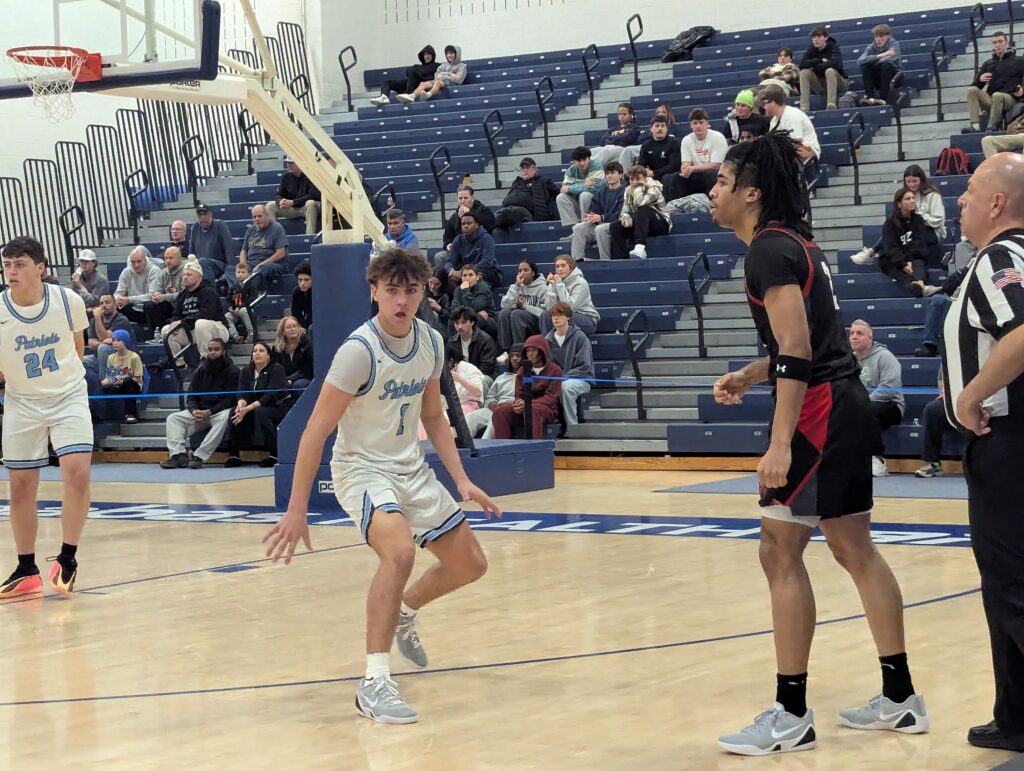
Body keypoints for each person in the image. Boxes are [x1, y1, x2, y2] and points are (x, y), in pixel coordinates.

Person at [708, 134, 927, 755]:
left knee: (779, 550)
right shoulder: (794, 243)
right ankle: (900, 696)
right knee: (856, 550)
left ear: (752, 194)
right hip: (843, 405)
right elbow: (801, 340)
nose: (713, 191)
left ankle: (791, 712)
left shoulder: (768, 252)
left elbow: (800, 352)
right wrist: (750, 374)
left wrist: (780, 442)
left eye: (722, 182)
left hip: (819, 415)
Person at [262, 248, 500, 725]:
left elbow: (433, 415)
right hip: (362, 470)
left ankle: (406, 611)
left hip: (411, 469)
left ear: (422, 294)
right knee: (399, 553)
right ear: (373, 291)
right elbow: (314, 432)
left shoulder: (430, 342)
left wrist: (460, 479)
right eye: (391, 290)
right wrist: (296, 507)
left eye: (410, 290)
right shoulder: (358, 351)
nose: (401, 300)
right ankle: (373, 682)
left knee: (471, 564)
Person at [941, 152, 1024, 752]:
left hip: (1009, 445)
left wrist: (971, 394)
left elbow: (1020, 332)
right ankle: (1016, 715)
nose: (960, 200)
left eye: (970, 190)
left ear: (998, 203)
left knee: (1012, 583)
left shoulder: (1000, 256)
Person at [0, 236, 92, 599]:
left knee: (77, 471)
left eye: (19, 264)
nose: (11, 272)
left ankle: (67, 558)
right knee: (20, 486)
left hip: (67, 394)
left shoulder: (68, 301)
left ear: (40, 268)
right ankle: (26, 568)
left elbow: (78, 348)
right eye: (7, 265)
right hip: (22, 401)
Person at [161, 338, 240, 470]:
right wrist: (194, 410)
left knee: (227, 415)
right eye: (210, 350)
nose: (213, 353)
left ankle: (199, 456)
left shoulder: (233, 371)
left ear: (224, 351)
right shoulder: (200, 370)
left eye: (216, 349)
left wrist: (210, 411)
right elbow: (191, 396)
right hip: (199, 413)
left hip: (218, 412)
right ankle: (178, 455)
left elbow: (231, 399)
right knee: (173, 418)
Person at [852, 165, 947, 265]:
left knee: (898, 235)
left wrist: (919, 217)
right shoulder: (905, 195)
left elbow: (937, 220)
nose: (911, 184)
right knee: (892, 228)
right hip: (910, 228)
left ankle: (872, 251)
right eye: (908, 181)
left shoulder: (933, 195)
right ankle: (872, 252)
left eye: (915, 181)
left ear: (921, 179)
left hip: (931, 232)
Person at [849, 319, 905, 477]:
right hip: (862, 406)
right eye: (852, 333)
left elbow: (889, 389)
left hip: (891, 406)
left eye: (859, 333)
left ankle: (877, 459)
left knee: (867, 411)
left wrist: (861, 403)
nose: (854, 336)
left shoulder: (885, 357)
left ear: (870, 338)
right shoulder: (849, 361)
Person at [225, 341, 288, 468]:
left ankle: (274, 453)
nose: (257, 353)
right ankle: (234, 454)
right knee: (234, 412)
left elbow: (271, 396)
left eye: (261, 351)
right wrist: (241, 405)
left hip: (275, 406)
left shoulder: (276, 369)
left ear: (268, 355)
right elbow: (242, 392)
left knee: (261, 412)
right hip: (252, 407)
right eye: (255, 351)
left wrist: (248, 408)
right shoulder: (246, 371)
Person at [489, 334, 562, 439]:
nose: (530, 354)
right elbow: (518, 393)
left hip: (546, 409)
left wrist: (527, 404)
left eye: (534, 351)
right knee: (500, 412)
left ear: (542, 352)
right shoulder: (522, 370)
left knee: (532, 410)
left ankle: (534, 449)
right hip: (524, 406)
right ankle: (504, 448)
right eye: (528, 351)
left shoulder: (555, 370)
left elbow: (550, 398)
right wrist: (518, 403)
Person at [159, 258, 230, 366]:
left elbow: (206, 314)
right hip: (193, 331)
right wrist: (174, 323)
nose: (185, 277)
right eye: (184, 275)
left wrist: (182, 323)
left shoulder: (208, 291)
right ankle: (179, 363)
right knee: (166, 330)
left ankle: (206, 360)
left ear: (199, 277)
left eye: (189, 275)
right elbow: (176, 314)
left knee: (201, 323)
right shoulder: (182, 295)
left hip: (217, 329)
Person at [877, 187, 941, 298]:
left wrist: (910, 260)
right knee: (895, 269)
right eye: (907, 199)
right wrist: (903, 264)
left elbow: (919, 242)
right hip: (893, 260)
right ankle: (922, 287)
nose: (912, 201)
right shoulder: (890, 223)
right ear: (899, 204)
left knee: (919, 261)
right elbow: (890, 247)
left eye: (913, 198)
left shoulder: (918, 220)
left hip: (911, 256)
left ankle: (918, 284)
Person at [545, 302, 594, 429]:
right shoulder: (547, 339)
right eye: (553, 315)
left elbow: (584, 366)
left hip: (581, 379)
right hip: (557, 380)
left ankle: (573, 427)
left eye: (559, 315)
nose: (555, 318)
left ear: (568, 317)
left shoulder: (580, 337)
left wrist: (563, 377)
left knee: (565, 387)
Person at [964, 31, 1024, 132]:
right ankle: (975, 127)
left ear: (1007, 43)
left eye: (1000, 41)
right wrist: (980, 80)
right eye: (995, 42)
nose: (997, 45)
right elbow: (975, 86)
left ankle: (991, 127)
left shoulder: (1019, 61)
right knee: (972, 90)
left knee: (997, 95)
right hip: (991, 99)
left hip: (1011, 98)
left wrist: (1022, 89)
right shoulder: (988, 64)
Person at [610, 165, 673, 260]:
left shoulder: (653, 187)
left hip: (660, 223)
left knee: (643, 210)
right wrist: (626, 218)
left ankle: (640, 246)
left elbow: (641, 203)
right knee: (615, 227)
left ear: (645, 178)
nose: (635, 182)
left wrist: (638, 189)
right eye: (632, 179)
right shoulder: (627, 190)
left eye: (638, 179)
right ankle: (621, 260)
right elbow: (625, 209)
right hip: (642, 224)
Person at [666, 108, 729, 200]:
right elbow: (686, 163)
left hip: (715, 174)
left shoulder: (718, 137)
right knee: (675, 178)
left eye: (701, 122)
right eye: (695, 123)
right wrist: (685, 169)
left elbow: (716, 165)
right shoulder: (686, 140)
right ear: (691, 125)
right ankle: (676, 207)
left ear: (707, 123)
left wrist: (693, 168)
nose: (698, 126)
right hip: (695, 174)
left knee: (710, 174)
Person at [571, 161, 626, 261]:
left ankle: (605, 261)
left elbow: (621, 215)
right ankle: (577, 260)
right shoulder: (601, 191)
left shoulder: (625, 191)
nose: (609, 176)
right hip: (599, 223)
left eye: (613, 173)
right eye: (607, 173)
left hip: (616, 225)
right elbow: (593, 210)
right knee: (578, 227)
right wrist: (592, 218)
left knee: (600, 229)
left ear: (621, 175)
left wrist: (602, 217)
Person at [464, 345, 522, 438]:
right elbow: (490, 397)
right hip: (495, 408)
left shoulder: (527, 378)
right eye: (512, 356)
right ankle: (463, 448)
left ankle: (485, 449)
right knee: (470, 417)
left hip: (511, 411)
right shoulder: (501, 377)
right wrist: (491, 404)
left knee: (496, 418)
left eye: (518, 356)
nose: (514, 358)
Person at [434, 185, 495, 269]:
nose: (463, 201)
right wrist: (448, 245)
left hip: (478, 251)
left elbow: (490, 225)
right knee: (440, 256)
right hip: (459, 253)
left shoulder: (483, 211)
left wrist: (470, 214)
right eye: (460, 198)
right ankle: (450, 279)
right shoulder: (454, 217)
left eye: (466, 198)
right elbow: (447, 238)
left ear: (472, 198)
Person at [914, 371, 961, 478]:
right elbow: (942, 381)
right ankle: (931, 463)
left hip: (978, 396)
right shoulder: (948, 356)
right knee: (932, 409)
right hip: (952, 398)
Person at [540, 254, 600, 335]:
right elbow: (550, 309)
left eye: (563, 266)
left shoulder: (581, 283)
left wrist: (559, 285)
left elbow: (570, 308)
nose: (560, 269)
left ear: (571, 267)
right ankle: (548, 345)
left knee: (562, 318)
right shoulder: (556, 281)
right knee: (545, 315)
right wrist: (553, 287)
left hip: (586, 319)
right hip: (564, 315)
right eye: (557, 266)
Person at [493, 157, 560, 230]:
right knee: (492, 217)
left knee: (506, 214)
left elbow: (558, 192)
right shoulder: (516, 183)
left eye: (528, 167)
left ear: (535, 169)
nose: (525, 170)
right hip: (509, 209)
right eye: (522, 168)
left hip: (526, 212)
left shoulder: (543, 181)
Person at [498, 260, 548, 352]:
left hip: (536, 323)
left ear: (533, 273)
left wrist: (525, 306)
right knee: (504, 313)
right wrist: (517, 287)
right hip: (518, 321)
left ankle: (519, 350)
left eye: (525, 270)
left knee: (517, 313)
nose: (522, 273)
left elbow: (544, 313)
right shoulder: (515, 286)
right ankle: (506, 350)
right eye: (520, 271)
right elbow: (504, 305)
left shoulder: (543, 288)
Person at [762, 84, 821, 160]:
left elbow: (796, 143)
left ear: (773, 102)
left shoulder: (791, 114)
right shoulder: (774, 121)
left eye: (764, 103)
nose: (763, 107)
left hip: (808, 152)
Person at [798, 25, 849, 112]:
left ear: (826, 37)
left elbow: (835, 64)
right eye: (813, 37)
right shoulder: (812, 49)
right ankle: (804, 108)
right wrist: (819, 60)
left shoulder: (834, 47)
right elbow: (802, 65)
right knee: (804, 72)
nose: (815, 39)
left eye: (818, 36)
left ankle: (831, 104)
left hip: (839, 83)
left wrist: (815, 67)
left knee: (830, 71)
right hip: (822, 84)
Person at [444, 212, 500, 289]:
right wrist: (451, 271)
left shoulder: (487, 238)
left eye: (469, 223)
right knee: (448, 279)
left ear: (476, 225)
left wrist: (465, 272)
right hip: (465, 272)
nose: (465, 226)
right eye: (463, 224)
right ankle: (459, 298)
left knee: (478, 278)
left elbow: (487, 262)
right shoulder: (458, 240)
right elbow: (449, 261)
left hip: (486, 271)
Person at [266, 158, 322, 236]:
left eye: (291, 163)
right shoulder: (286, 177)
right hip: (292, 208)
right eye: (288, 163)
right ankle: (274, 238)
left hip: (306, 207)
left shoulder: (310, 175)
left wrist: (293, 202)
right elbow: (278, 194)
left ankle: (309, 237)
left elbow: (314, 195)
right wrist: (281, 201)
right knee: (270, 206)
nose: (288, 165)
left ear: (299, 164)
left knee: (310, 203)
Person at [239, 204, 288, 292]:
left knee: (265, 268)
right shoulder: (250, 230)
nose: (256, 219)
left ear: (267, 215)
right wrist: (244, 267)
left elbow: (281, 253)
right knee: (230, 269)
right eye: (254, 217)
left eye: (259, 216)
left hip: (272, 264)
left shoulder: (277, 228)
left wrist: (261, 265)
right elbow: (243, 251)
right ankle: (236, 292)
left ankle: (248, 291)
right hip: (252, 264)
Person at [83, 293, 135, 375]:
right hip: (101, 358)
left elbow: (105, 337)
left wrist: (97, 317)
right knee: (81, 361)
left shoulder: (121, 320)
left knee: (104, 348)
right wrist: (103, 342)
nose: (104, 305)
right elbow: (91, 344)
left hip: (123, 360)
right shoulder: (94, 321)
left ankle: (107, 384)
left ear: (115, 305)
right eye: (101, 303)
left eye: (107, 302)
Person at [99, 328, 144, 424]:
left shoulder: (134, 357)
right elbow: (111, 376)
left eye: (118, 340)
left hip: (133, 385)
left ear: (125, 341)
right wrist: (103, 383)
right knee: (101, 387)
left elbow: (138, 378)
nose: (115, 343)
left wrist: (122, 381)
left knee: (128, 382)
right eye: (113, 340)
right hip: (117, 384)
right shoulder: (111, 358)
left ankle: (131, 413)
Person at [369, 45, 439, 106]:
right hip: (410, 82)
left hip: (420, 84)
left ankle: (409, 95)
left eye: (429, 54)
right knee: (386, 82)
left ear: (433, 55)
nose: (427, 56)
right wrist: (416, 71)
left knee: (412, 71)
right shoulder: (419, 66)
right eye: (425, 54)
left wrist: (418, 72)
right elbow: (408, 72)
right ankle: (384, 97)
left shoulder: (437, 65)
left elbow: (433, 78)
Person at [556, 147, 606, 228]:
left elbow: (597, 187)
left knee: (584, 195)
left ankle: (586, 227)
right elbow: (564, 189)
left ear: (589, 158)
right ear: (574, 161)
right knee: (561, 197)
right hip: (578, 202)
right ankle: (575, 230)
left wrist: (572, 187)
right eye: (579, 161)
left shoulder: (596, 165)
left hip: (596, 203)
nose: (582, 163)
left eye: (584, 160)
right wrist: (584, 184)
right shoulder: (571, 170)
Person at [190, 203, 236, 287]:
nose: (202, 217)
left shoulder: (220, 225)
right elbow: (191, 254)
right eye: (200, 215)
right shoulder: (195, 228)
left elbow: (229, 250)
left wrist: (229, 271)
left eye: (205, 214)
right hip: (200, 267)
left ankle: (210, 293)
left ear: (210, 215)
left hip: (219, 266)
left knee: (203, 261)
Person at [143, 246, 185, 337]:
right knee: (149, 305)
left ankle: (166, 335)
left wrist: (164, 297)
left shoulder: (185, 271)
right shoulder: (163, 273)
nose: (168, 261)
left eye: (171, 258)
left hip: (182, 305)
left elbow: (184, 295)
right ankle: (154, 335)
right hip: (170, 304)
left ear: (179, 259)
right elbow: (158, 290)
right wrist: (156, 296)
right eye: (166, 258)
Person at [114, 246, 161, 326]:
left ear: (145, 260)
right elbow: (118, 292)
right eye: (133, 262)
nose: (136, 265)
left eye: (139, 261)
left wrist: (129, 299)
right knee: (116, 306)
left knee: (150, 305)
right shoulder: (126, 272)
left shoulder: (154, 270)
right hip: (132, 307)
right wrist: (119, 299)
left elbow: (153, 296)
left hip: (148, 308)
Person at [618, 103, 675, 169]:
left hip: (661, 147)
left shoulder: (672, 127)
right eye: (658, 112)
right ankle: (624, 176)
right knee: (628, 150)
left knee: (628, 150)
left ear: (669, 114)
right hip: (645, 146)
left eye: (663, 112)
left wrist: (653, 134)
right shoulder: (650, 128)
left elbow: (667, 137)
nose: (660, 114)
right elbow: (640, 139)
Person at [857, 24, 902, 106]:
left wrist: (872, 60)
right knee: (865, 66)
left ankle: (883, 98)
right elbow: (860, 61)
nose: (878, 39)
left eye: (881, 36)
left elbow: (889, 60)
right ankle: (870, 97)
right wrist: (881, 55)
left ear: (888, 36)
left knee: (885, 65)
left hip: (894, 77)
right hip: (879, 76)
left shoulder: (894, 45)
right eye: (876, 36)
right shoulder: (871, 47)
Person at [450, 264, 498, 340]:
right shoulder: (458, 290)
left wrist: (466, 291)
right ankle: (455, 346)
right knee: (453, 320)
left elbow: (475, 306)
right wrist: (469, 312)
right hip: (468, 316)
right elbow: (454, 308)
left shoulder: (484, 288)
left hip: (487, 321)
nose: (467, 278)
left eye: (471, 275)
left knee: (473, 319)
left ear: (477, 277)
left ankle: (472, 347)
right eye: (464, 276)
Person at [448, 307, 497, 378]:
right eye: (457, 323)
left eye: (463, 322)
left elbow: (487, 369)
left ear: (472, 322)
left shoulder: (485, 340)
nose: (460, 326)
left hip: (482, 376)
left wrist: (467, 376)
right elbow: (448, 365)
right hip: (460, 377)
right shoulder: (452, 342)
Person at [637, 116, 682, 184]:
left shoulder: (674, 143)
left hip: (669, 177)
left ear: (667, 129)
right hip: (651, 177)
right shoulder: (646, 145)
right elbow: (641, 164)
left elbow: (674, 166)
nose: (660, 128)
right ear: (651, 129)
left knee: (667, 178)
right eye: (657, 126)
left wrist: (654, 173)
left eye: (662, 126)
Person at [274, 315, 314, 391]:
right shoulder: (278, 348)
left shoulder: (307, 345)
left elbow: (307, 370)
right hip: (286, 379)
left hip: (304, 378)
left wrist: (290, 380)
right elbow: (276, 368)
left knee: (298, 385)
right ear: (283, 332)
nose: (293, 329)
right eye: (289, 327)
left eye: (295, 326)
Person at [226, 262, 258, 343]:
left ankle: (251, 333)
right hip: (235, 311)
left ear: (249, 274)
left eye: (243, 272)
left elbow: (252, 299)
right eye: (238, 272)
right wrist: (230, 308)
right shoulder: (233, 287)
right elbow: (228, 299)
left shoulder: (251, 286)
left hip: (248, 310)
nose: (240, 274)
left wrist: (240, 308)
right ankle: (235, 336)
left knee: (243, 310)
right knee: (226, 317)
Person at [426, 268, 452, 333]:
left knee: (434, 314)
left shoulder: (446, 296)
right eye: (431, 282)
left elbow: (451, 316)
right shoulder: (424, 290)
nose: (432, 286)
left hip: (440, 325)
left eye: (436, 284)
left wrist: (439, 308)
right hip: (425, 320)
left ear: (442, 284)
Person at [290, 260, 313, 331]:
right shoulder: (296, 292)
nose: (302, 283)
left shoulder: (319, 292)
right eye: (300, 280)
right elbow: (296, 315)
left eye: (306, 280)